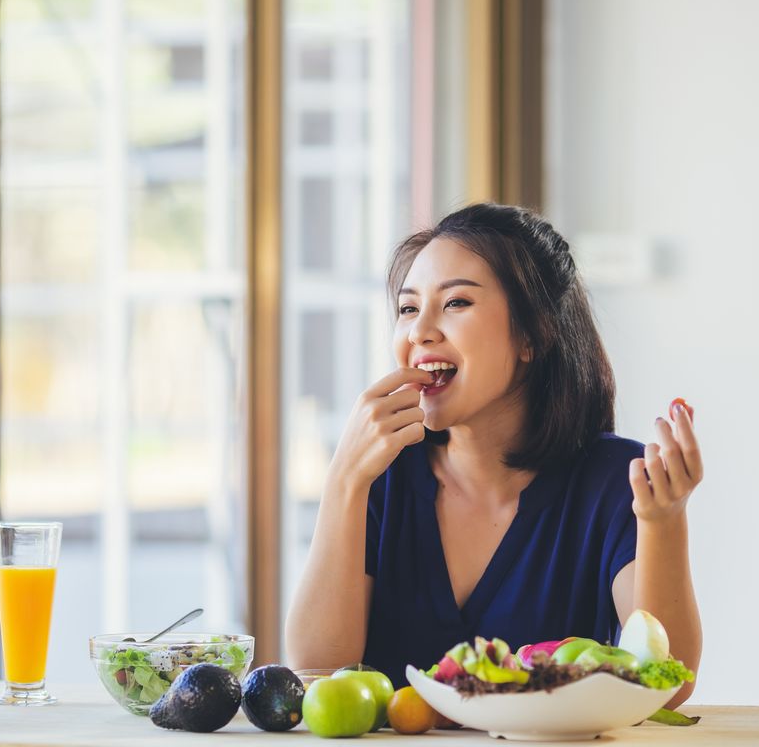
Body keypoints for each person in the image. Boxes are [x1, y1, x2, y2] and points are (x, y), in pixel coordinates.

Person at [284, 203, 702, 708]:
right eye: (409, 308)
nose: (419, 332)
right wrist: (343, 482)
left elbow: (667, 687)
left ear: (532, 333)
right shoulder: (382, 476)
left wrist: (664, 520)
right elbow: (316, 673)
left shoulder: (614, 481)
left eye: (456, 303)